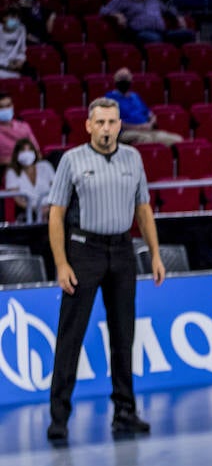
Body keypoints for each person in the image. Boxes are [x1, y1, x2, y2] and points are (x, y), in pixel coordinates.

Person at [47, 98, 166, 444]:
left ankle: (125, 411)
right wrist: (61, 263)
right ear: (88, 125)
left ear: (119, 125)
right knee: (71, 336)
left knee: (123, 335)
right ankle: (59, 417)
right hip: (84, 251)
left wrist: (155, 254)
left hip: (122, 250)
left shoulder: (134, 158)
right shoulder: (72, 160)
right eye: (99, 122)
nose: (106, 128)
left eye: (112, 122)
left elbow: (143, 209)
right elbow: (56, 214)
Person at [99, 0, 194, 45]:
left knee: (188, 34)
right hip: (139, 33)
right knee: (155, 39)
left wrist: (178, 17)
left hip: (162, 32)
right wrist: (117, 15)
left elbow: (167, 9)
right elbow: (104, 10)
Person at [105, 68, 182, 145]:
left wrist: (150, 124)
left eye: (126, 78)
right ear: (115, 81)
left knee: (177, 139)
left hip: (147, 130)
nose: (124, 81)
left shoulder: (135, 96)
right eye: (122, 78)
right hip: (125, 133)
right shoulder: (110, 98)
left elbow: (150, 115)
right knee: (146, 140)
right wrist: (138, 127)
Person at [5, 137, 54, 223]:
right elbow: (18, 199)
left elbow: (57, 190)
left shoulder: (45, 166)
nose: (27, 154)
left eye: (29, 150)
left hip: (51, 210)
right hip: (27, 213)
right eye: (23, 151)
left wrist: (49, 208)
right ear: (17, 155)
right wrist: (37, 209)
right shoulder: (12, 172)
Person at [0, 92, 40, 165]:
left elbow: (37, 151)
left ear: (12, 106)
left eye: (8, 105)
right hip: (6, 168)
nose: (5, 109)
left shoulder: (24, 126)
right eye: (1, 107)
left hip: (29, 164)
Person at [0, 5, 25, 77]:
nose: (16, 20)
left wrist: (21, 60)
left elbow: (21, 50)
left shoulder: (21, 29)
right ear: (4, 18)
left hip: (15, 72)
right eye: (13, 17)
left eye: (18, 18)